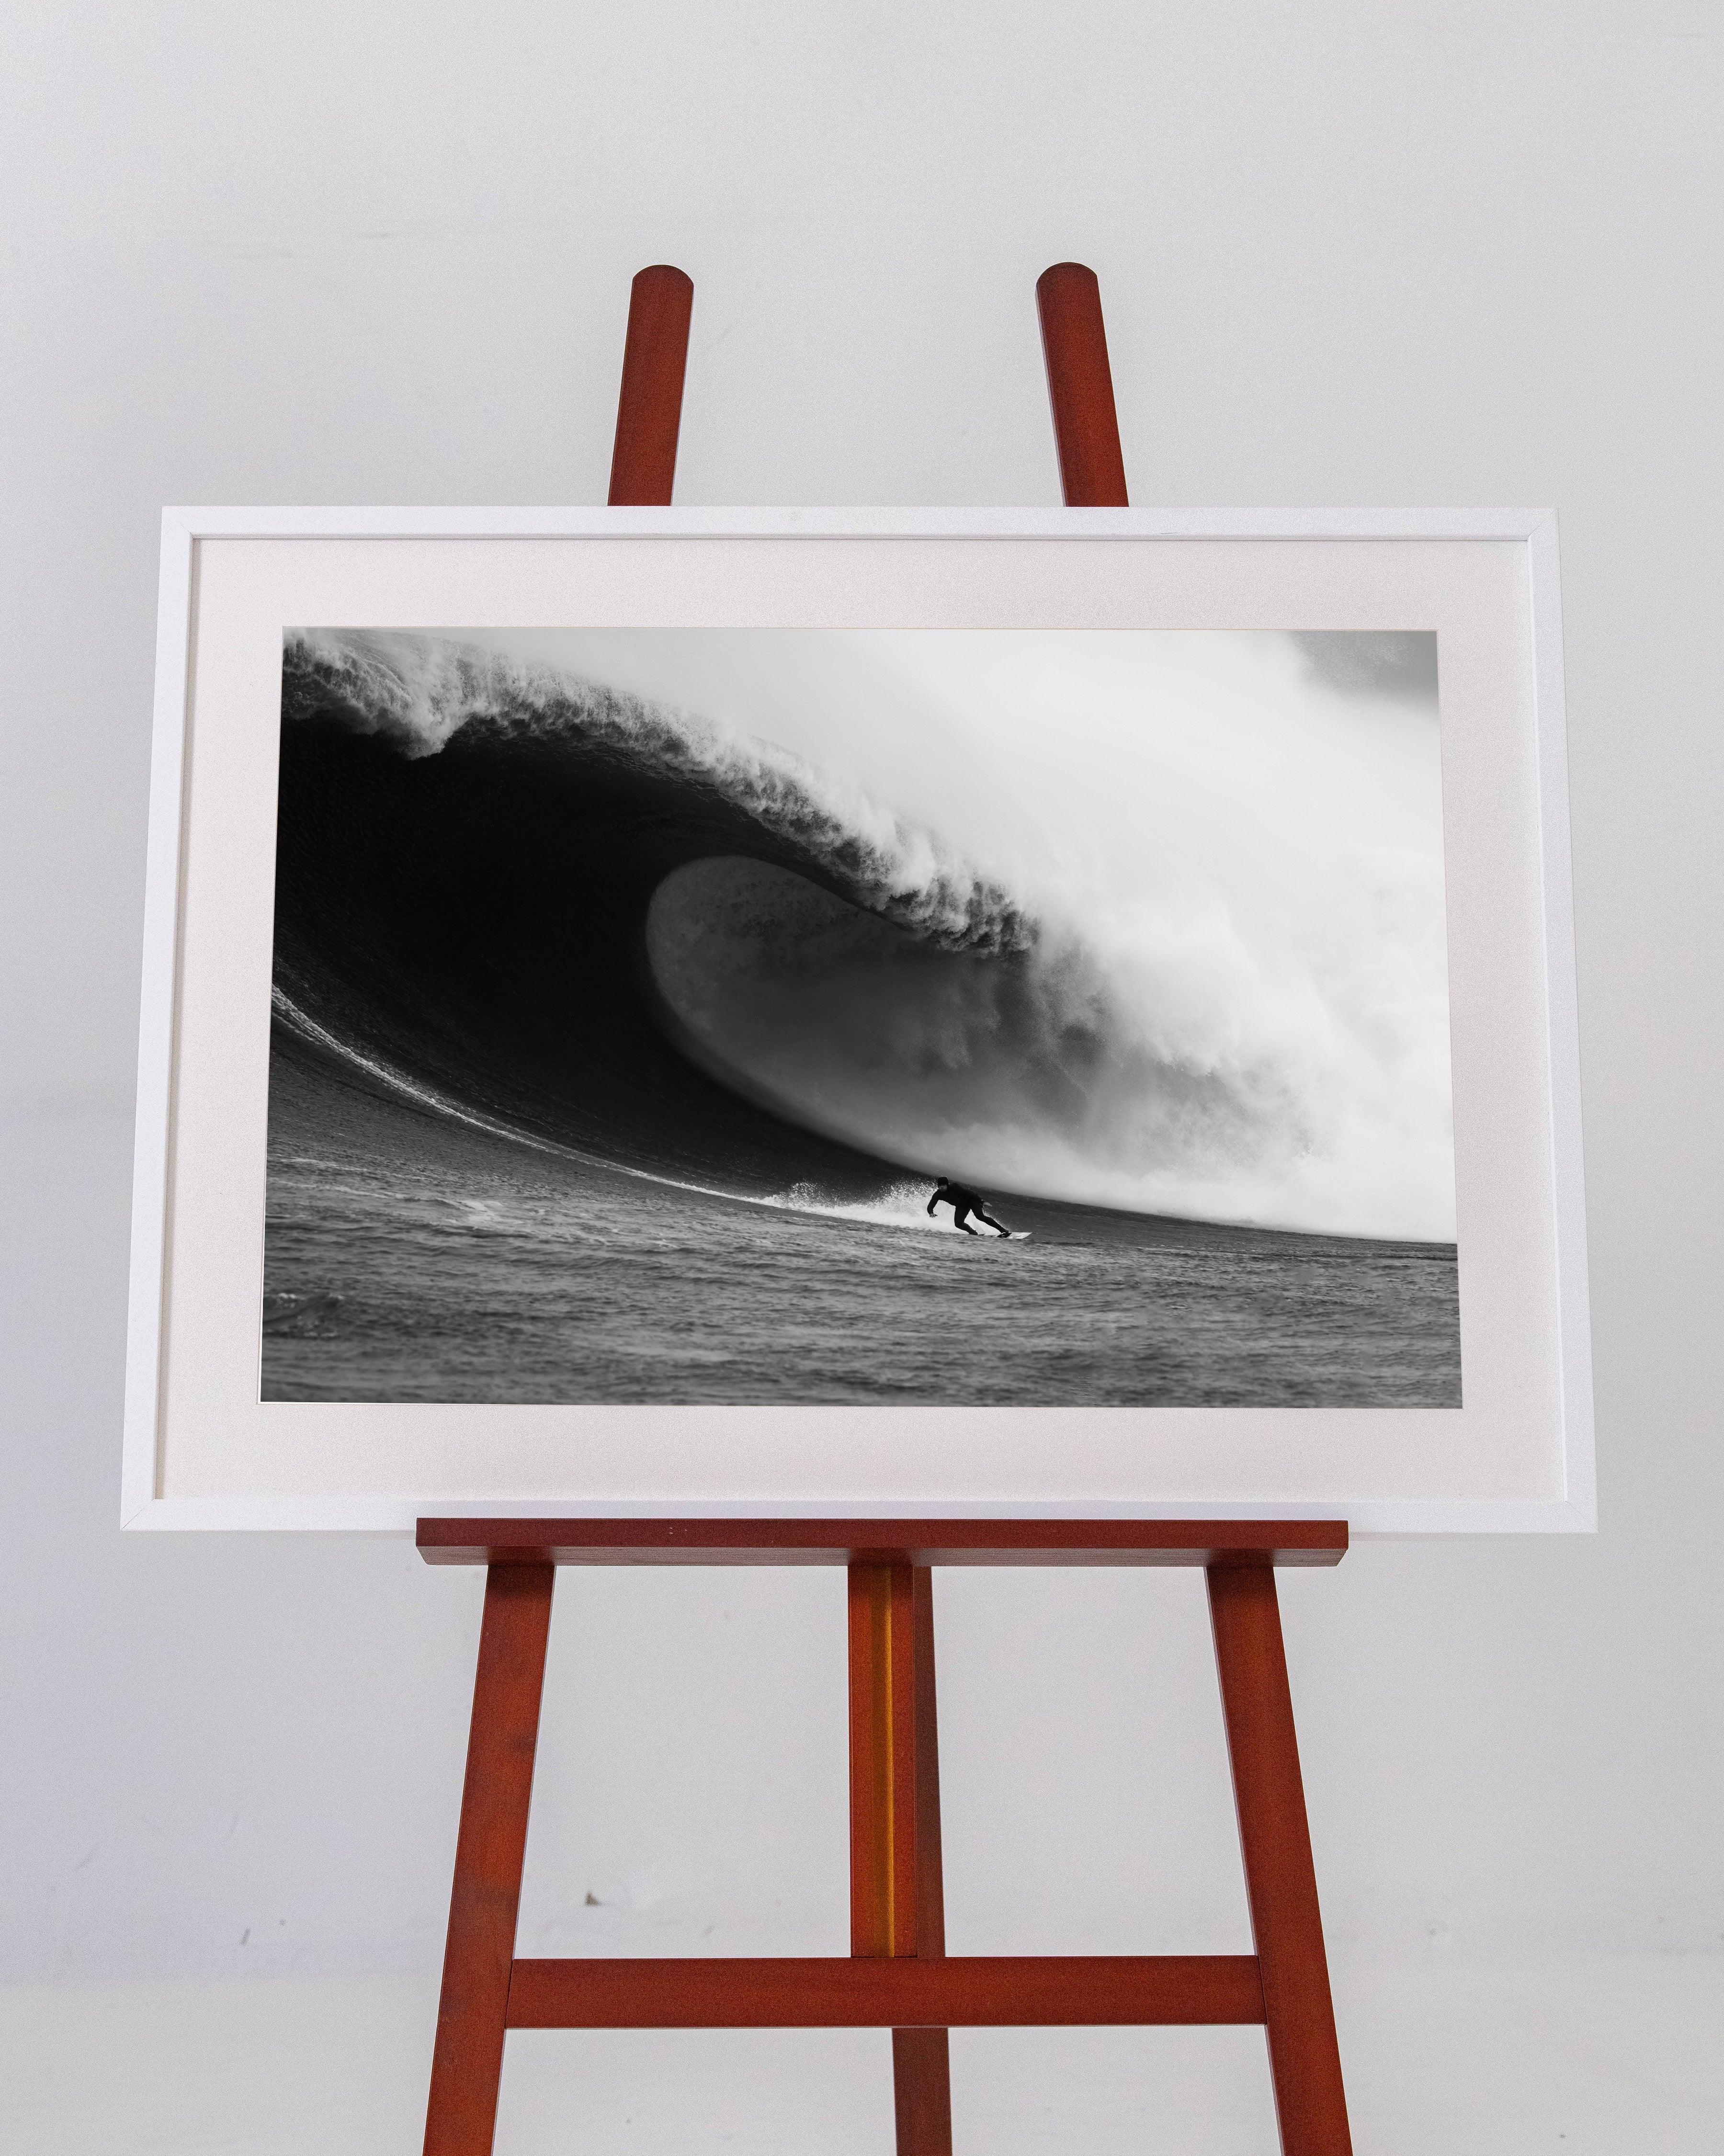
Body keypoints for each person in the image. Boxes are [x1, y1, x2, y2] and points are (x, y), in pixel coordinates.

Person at [926, 1175, 1011, 1237]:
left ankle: (1003, 1230)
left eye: (943, 1186)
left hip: (971, 1201)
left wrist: (981, 1201)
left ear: (947, 1185)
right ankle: (973, 1233)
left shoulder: (954, 1187)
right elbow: (931, 1204)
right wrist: (931, 1213)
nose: (941, 1187)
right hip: (961, 1207)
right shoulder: (938, 1195)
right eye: (940, 1186)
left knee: (980, 1217)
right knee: (958, 1224)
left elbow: (968, 1193)